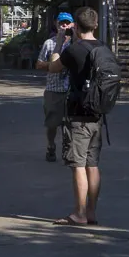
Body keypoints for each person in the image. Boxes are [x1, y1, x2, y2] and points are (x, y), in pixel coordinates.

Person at [47, 7, 104, 226]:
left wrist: (61, 41)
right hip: (98, 114)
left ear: (76, 27)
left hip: (78, 114)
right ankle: (91, 212)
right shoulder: (103, 48)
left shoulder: (74, 50)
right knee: (93, 164)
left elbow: (53, 67)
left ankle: (79, 213)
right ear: (96, 25)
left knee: (78, 165)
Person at [36, 12, 74, 162]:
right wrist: (54, 66)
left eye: (67, 23)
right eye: (61, 23)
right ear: (55, 24)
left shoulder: (76, 44)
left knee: (70, 124)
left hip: (71, 90)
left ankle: (68, 148)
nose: (64, 26)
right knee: (52, 123)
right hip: (54, 89)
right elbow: (39, 64)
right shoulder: (49, 43)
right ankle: (51, 145)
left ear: (72, 25)